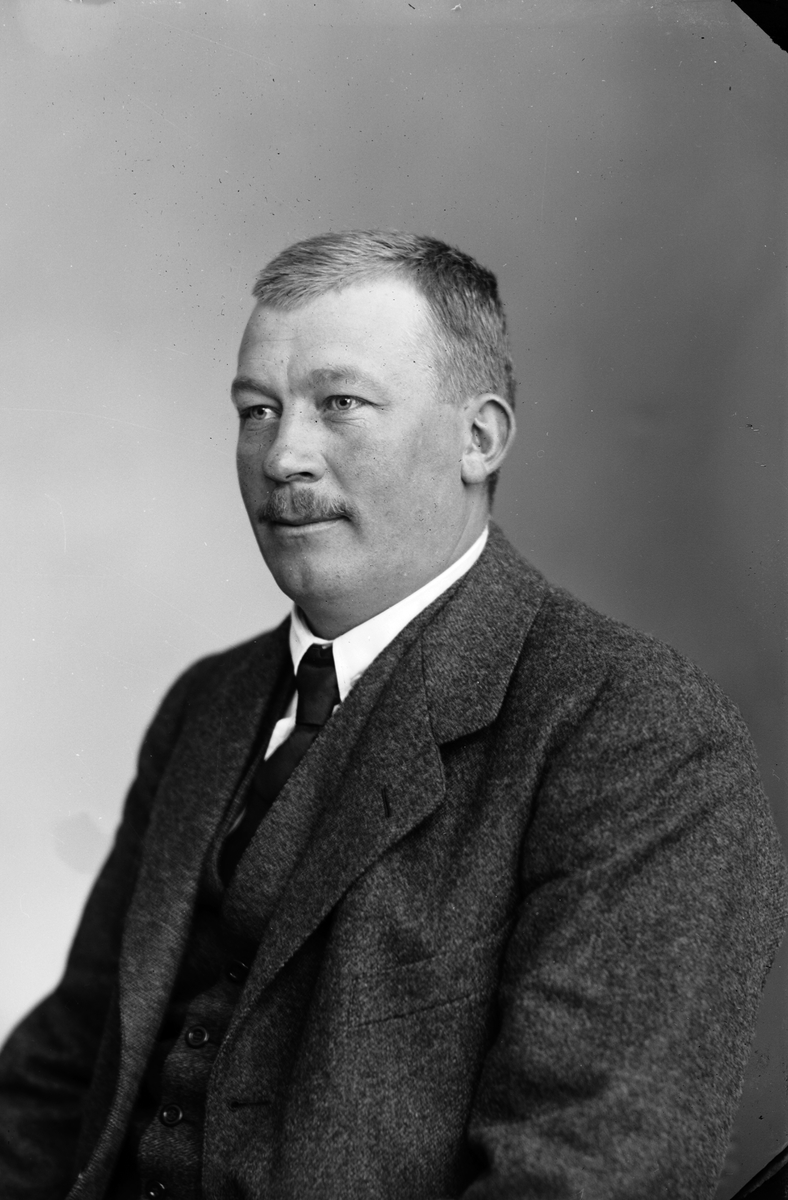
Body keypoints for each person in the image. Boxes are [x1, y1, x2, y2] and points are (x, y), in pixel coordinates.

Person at [0, 230, 785, 1200]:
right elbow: (56, 1079)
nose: (282, 455)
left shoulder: (638, 737)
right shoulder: (208, 705)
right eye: (256, 411)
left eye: (340, 404)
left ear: (478, 439)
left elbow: (588, 1174)